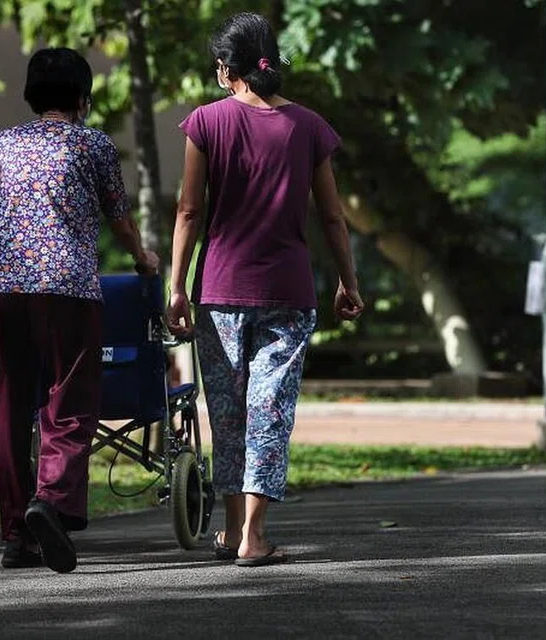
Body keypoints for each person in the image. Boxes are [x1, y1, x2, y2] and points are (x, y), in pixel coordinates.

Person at [166, 12, 364, 567]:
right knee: (269, 410)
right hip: (288, 291)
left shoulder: (205, 123)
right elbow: (331, 217)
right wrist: (348, 281)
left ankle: (233, 530)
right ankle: (251, 535)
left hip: (220, 288)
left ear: (229, 69)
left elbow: (189, 209)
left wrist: (176, 286)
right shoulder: (308, 127)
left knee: (229, 412)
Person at [0, 47, 159, 573]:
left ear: (31, 94)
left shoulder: (1, 143)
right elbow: (120, 221)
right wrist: (142, 258)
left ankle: (17, 535)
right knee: (70, 400)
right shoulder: (93, 144)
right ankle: (49, 502)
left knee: (5, 411)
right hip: (67, 289)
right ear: (83, 96)